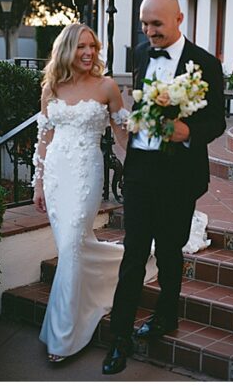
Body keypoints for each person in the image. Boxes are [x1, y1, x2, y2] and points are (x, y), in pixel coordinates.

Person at [103, 0, 225, 375]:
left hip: (179, 175)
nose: (148, 31)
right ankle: (118, 338)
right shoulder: (141, 54)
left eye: (156, 24)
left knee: (170, 253)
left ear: (178, 19)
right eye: (144, 24)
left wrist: (188, 130)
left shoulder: (205, 63)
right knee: (133, 255)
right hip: (140, 173)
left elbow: (217, 120)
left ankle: (166, 316)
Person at [31, 23, 157, 362]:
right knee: (74, 246)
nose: (88, 53)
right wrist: (39, 183)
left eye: (92, 47)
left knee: (72, 244)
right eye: (81, 47)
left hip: (86, 173)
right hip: (57, 176)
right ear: (67, 51)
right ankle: (120, 262)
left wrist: (146, 168)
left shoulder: (107, 87)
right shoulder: (51, 89)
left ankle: (62, 338)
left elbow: (122, 136)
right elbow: (44, 139)